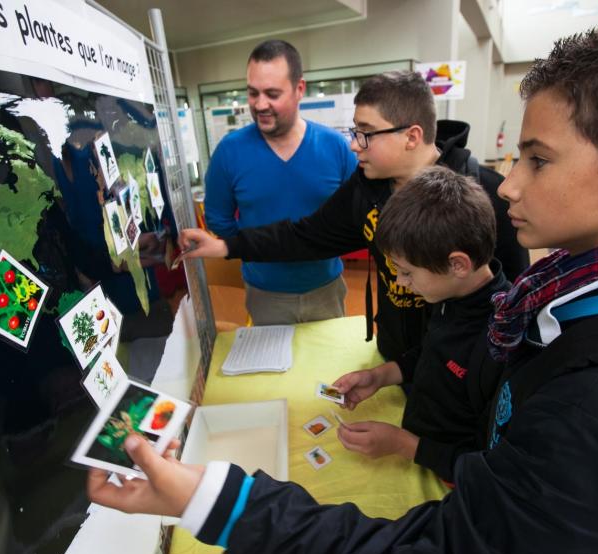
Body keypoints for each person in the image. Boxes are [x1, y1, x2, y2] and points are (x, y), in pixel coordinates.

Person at [88, 14, 598, 554]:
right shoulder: (580, 313)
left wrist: (214, 502)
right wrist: (399, 372)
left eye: (538, 160)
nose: (511, 184)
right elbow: (314, 237)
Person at [180, 70, 528, 361]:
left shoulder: (486, 195)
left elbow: (514, 296)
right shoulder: (365, 189)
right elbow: (304, 236)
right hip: (393, 356)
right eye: (354, 132)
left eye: (365, 133)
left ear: (412, 136)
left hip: (458, 370)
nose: (353, 145)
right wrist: (225, 247)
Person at [332, 166, 510, 482]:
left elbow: (492, 464)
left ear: (457, 264)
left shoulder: (500, 341)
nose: (400, 282)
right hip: (420, 445)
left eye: (408, 272)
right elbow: (432, 354)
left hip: (453, 477)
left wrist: (404, 446)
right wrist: (379, 376)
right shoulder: (451, 295)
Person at [204, 39, 357, 325]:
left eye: (272, 94)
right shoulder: (230, 151)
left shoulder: (336, 147)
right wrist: (254, 249)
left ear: (300, 89)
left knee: (331, 369)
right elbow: (218, 219)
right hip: (264, 294)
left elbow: (355, 215)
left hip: (326, 289)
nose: (260, 105)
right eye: (253, 93)